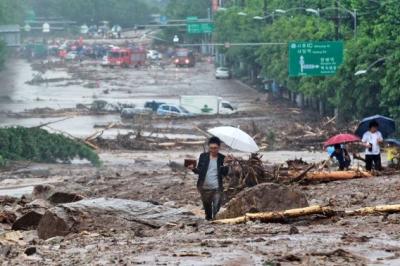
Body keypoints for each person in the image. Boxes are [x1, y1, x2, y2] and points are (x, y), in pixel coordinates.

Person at [188, 137, 230, 220]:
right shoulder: (203, 156)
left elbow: (225, 173)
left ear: (219, 147)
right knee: (208, 212)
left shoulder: (223, 158)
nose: (213, 150)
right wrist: (193, 168)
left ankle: (215, 226)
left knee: (216, 209)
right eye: (211, 148)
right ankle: (209, 224)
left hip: (217, 188)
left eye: (215, 148)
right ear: (208, 147)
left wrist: (226, 164)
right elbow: (199, 171)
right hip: (204, 187)